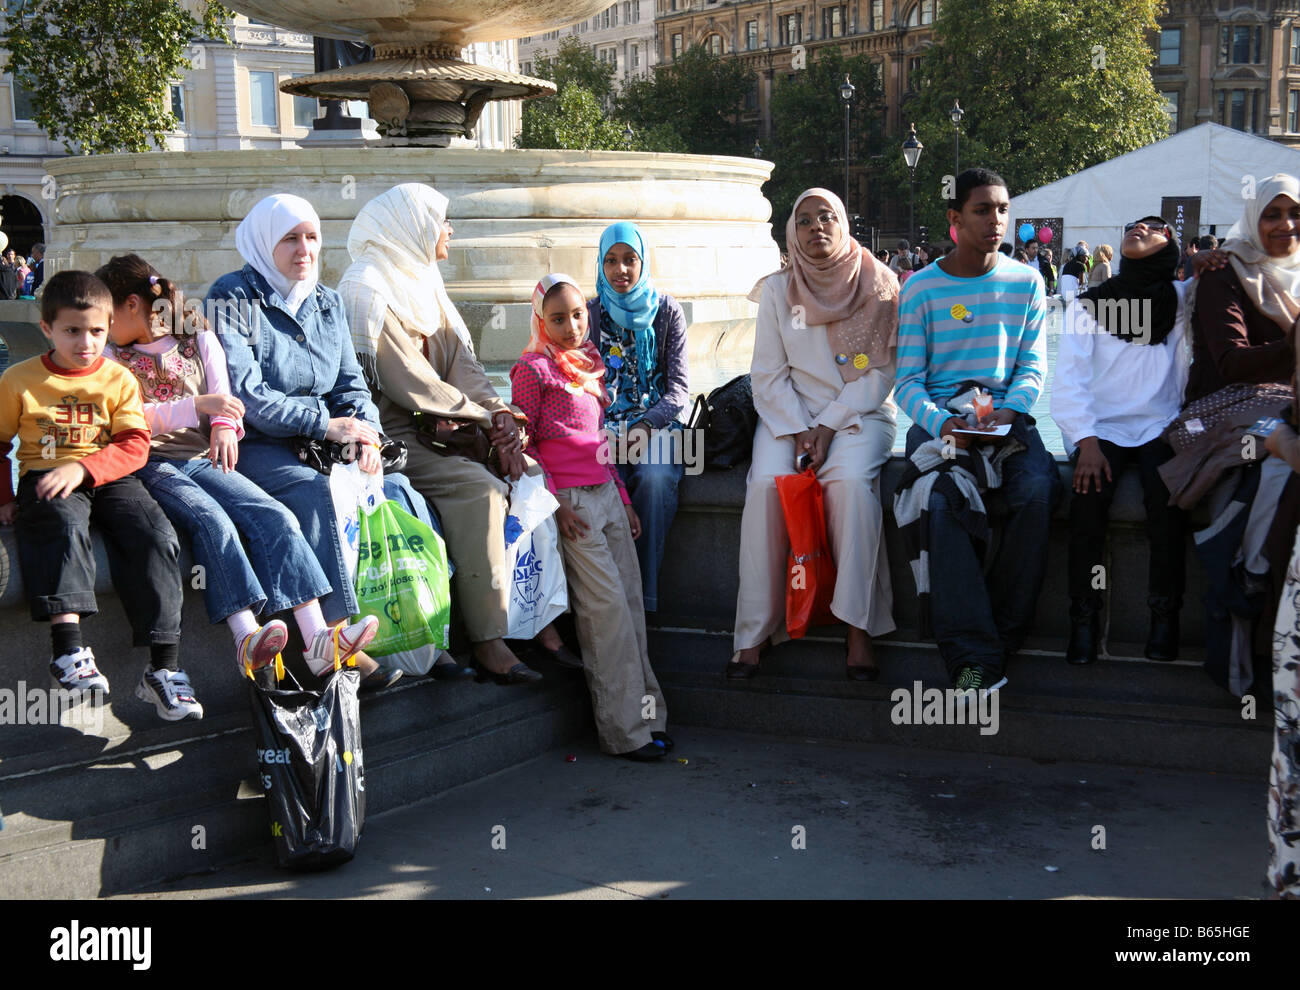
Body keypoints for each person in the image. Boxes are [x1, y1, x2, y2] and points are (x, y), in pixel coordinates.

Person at [207, 193, 433, 684]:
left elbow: (351, 384)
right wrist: (325, 425)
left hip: (324, 442)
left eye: (311, 237)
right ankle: (330, 642)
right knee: (313, 494)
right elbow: (249, 395)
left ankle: (423, 633)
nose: (304, 249)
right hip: (260, 446)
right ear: (266, 241)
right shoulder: (232, 298)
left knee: (398, 492)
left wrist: (365, 435)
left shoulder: (326, 302)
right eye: (290, 238)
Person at [98, 253, 349, 677]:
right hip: (152, 462)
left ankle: (317, 638)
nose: (101, 328)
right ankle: (245, 636)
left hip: (200, 458)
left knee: (275, 516)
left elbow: (225, 399)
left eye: (107, 315)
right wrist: (195, 406)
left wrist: (224, 428)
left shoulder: (198, 339)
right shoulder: (109, 358)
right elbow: (128, 418)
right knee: (213, 523)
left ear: (132, 305)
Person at [336, 182, 545, 685]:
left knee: (535, 473)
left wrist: (498, 418)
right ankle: (489, 641)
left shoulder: (419, 278)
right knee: (482, 490)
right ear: (413, 227)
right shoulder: (366, 287)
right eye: (442, 222)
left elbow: (462, 366)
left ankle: (543, 629)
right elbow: (409, 380)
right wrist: (481, 418)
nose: (448, 230)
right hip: (389, 434)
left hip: (444, 427)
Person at [895, 168, 1059, 694]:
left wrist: (1011, 411)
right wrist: (946, 423)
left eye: (1003, 209)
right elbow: (907, 385)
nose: (997, 221)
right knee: (939, 503)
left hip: (1006, 421)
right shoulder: (919, 289)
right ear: (954, 218)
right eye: (983, 210)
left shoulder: (1028, 281)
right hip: (942, 423)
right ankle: (973, 657)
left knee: (1037, 491)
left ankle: (999, 640)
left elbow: (1033, 366)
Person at [0, 272, 193, 719]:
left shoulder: (119, 378)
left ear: (109, 328)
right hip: (47, 474)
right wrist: (5, 499)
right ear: (46, 329)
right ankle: (68, 651)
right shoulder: (17, 380)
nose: (85, 342)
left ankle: (163, 669)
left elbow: (133, 444)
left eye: (96, 331)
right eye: (72, 331)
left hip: (108, 473)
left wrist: (84, 467)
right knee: (62, 525)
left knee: (154, 534)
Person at [729, 188, 897, 681]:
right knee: (763, 489)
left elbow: (880, 371)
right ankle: (754, 631)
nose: (816, 227)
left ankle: (857, 626)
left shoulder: (879, 285)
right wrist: (802, 429)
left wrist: (828, 425)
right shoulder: (779, 291)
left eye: (827, 217)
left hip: (860, 414)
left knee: (848, 487)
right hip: (789, 416)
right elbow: (767, 373)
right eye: (804, 221)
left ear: (844, 225)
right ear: (792, 234)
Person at [510, 273, 670, 761]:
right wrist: (556, 505)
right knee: (607, 617)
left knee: (631, 609)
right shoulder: (532, 370)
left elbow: (600, 442)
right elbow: (525, 446)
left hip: (606, 496)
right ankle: (625, 733)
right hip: (573, 505)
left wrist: (622, 497)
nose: (571, 326)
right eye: (557, 318)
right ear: (541, 321)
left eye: (578, 314)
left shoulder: (590, 365)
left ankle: (650, 719)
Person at [1167, 175, 1300, 697]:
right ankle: (1254, 575)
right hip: (1226, 406)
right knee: (1278, 458)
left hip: (1285, 403)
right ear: (1253, 218)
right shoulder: (1225, 272)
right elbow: (1228, 362)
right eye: (1273, 214)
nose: (1286, 225)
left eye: (1295, 213)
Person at [1052, 216, 1191, 664]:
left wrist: (1208, 258)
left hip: (1161, 424)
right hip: (1104, 428)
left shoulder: (1183, 299)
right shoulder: (1089, 304)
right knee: (1086, 505)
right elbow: (1068, 380)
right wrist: (1085, 441)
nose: (1138, 229)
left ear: (1170, 241)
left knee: (1167, 505)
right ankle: (1084, 617)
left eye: (1153, 227)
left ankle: (1164, 616)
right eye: (1132, 226)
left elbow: (1245, 267)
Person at [588, 221, 690, 613]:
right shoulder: (590, 313)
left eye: (630, 260)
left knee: (655, 476)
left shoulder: (667, 311)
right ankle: (604, 599)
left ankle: (644, 596)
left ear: (643, 261)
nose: (621, 270)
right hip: (602, 427)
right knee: (595, 478)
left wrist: (646, 425)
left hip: (658, 424)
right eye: (611, 261)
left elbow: (679, 388)